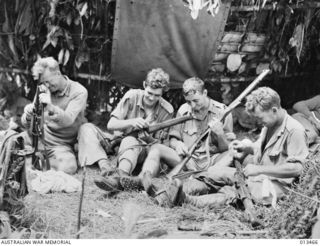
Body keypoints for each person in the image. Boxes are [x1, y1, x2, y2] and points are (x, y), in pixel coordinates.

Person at [157, 87, 309, 209]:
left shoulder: (294, 130)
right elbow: (261, 148)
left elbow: (297, 168)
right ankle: (170, 192)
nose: (258, 122)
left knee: (234, 192)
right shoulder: (269, 124)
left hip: (274, 185)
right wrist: (246, 147)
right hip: (257, 176)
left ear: (274, 110)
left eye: (260, 118)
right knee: (215, 172)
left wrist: (260, 170)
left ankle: (187, 200)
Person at [114, 77, 235, 195]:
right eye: (188, 101)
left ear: (205, 93)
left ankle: (204, 178)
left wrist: (220, 134)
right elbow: (173, 138)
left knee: (231, 155)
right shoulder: (183, 110)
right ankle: (141, 180)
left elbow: (226, 149)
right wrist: (177, 144)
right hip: (187, 161)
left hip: (212, 162)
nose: (192, 106)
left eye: (196, 101)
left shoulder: (222, 112)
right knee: (156, 148)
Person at [87, 68, 174, 191]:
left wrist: (147, 138)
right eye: (149, 93)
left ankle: (117, 181)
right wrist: (132, 122)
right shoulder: (132, 96)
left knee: (131, 141)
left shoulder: (167, 110)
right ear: (144, 85)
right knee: (129, 140)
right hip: (124, 146)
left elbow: (162, 147)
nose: (152, 98)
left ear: (163, 93)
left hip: (147, 153)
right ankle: (122, 177)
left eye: (157, 95)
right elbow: (111, 124)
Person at [21, 57, 88, 174]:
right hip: (37, 138)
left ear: (58, 73)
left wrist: (50, 106)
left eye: (48, 81)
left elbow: (68, 120)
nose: (46, 85)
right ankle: (36, 160)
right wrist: (28, 113)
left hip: (60, 144)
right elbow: (27, 124)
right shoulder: (43, 89)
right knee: (8, 142)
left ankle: (36, 162)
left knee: (69, 167)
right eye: (43, 82)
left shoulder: (79, 92)